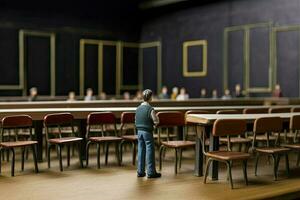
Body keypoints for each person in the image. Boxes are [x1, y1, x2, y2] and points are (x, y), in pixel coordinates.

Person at [135, 89, 161, 178]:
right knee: (150, 150)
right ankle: (151, 172)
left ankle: (140, 171)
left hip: (139, 132)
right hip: (147, 132)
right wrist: (154, 126)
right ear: (150, 98)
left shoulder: (138, 108)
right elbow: (156, 121)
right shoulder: (150, 109)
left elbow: (135, 120)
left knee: (141, 150)